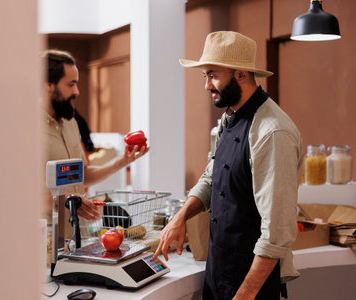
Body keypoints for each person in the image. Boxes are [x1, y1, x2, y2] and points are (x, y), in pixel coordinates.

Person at [152, 31, 303, 299]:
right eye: (205, 76)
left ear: (241, 75)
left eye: (213, 75)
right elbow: (212, 178)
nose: (207, 85)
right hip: (219, 269)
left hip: (251, 284)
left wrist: (245, 294)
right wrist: (181, 216)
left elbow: (277, 232)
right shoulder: (229, 118)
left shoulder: (272, 132)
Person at [42, 49, 149, 237]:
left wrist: (121, 162)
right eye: (71, 84)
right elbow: (19, 196)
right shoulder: (25, 131)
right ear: (48, 85)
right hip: (44, 242)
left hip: (77, 236)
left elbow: (82, 175)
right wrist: (68, 200)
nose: (77, 91)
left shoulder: (70, 123)